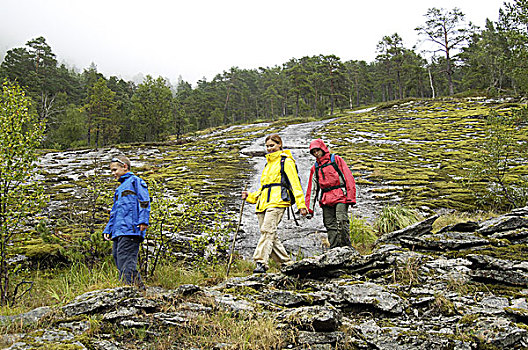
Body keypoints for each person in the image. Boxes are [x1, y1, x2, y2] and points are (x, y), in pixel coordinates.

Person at [242, 134, 308, 273]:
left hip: (278, 201)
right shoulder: (268, 164)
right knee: (270, 234)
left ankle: (261, 262)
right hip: (262, 203)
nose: (269, 148)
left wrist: (301, 204)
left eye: (272, 145)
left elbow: (295, 183)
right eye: (267, 146)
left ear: (279, 145)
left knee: (267, 231)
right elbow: (263, 187)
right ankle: (287, 263)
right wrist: (250, 197)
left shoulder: (286, 161)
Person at [103, 155, 151, 288]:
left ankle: (127, 290)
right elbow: (115, 211)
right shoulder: (120, 188)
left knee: (126, 259)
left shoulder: (136, 182)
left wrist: (143, 221)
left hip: (132, 229)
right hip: (118, 231)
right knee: (118, 258)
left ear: (124, 167)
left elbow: (144, 201)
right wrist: (108, 229)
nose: (113, 174)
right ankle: (139, 289)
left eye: (114, 170)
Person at [305, 139, 356, 249]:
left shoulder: (336, 160)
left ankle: (346, 247)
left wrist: (351, 197)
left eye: (317, 150)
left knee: (342, 221)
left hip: (341, 196)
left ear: (322, 149)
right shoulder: (315, 168)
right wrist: (309, 209)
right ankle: (334, 249)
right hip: (326, 199)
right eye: (313, 152)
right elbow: (312, 189)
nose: (316, 154)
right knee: (329, 224)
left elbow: (348, 178)